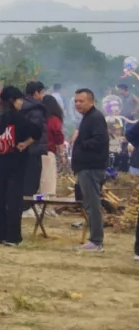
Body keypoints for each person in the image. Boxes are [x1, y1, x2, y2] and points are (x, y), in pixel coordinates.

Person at [0, 86, 39, 246]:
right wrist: (25, 144)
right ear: (12, 100)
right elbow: (37, 132)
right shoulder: (18, 118)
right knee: (13, 198)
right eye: (19, 100)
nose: (21, 103)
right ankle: (12, 237)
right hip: (16, 162)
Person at [72, 88, 110, 254]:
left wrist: (80, 143)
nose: (77, 104)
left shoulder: (95, 117)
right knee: (89, 203)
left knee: (92, 205)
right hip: (85, 167)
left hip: (91, 168)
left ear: (92, 101)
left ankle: (96, 241)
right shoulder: (88, 118)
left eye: (81, 101)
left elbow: (100, 139)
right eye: (76, 101)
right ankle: (95, 239)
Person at [20, 81, 49, 197]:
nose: (42, 96)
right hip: (33, 150)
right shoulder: (36, 109)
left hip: (19, 150)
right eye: (42, 93)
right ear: (36, 93)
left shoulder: (19, 106)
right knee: (32, 181)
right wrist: (26, 143)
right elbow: (36, 131)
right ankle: (26, 204)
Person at [41, 95, 66, 196]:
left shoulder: (38, 118)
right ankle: (46, 202)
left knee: (39, 181)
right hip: (48, 152)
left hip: (35, 152)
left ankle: (37, 202)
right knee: (48, 182)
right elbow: (58, 138)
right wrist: (62, 154)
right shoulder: (54, 120)